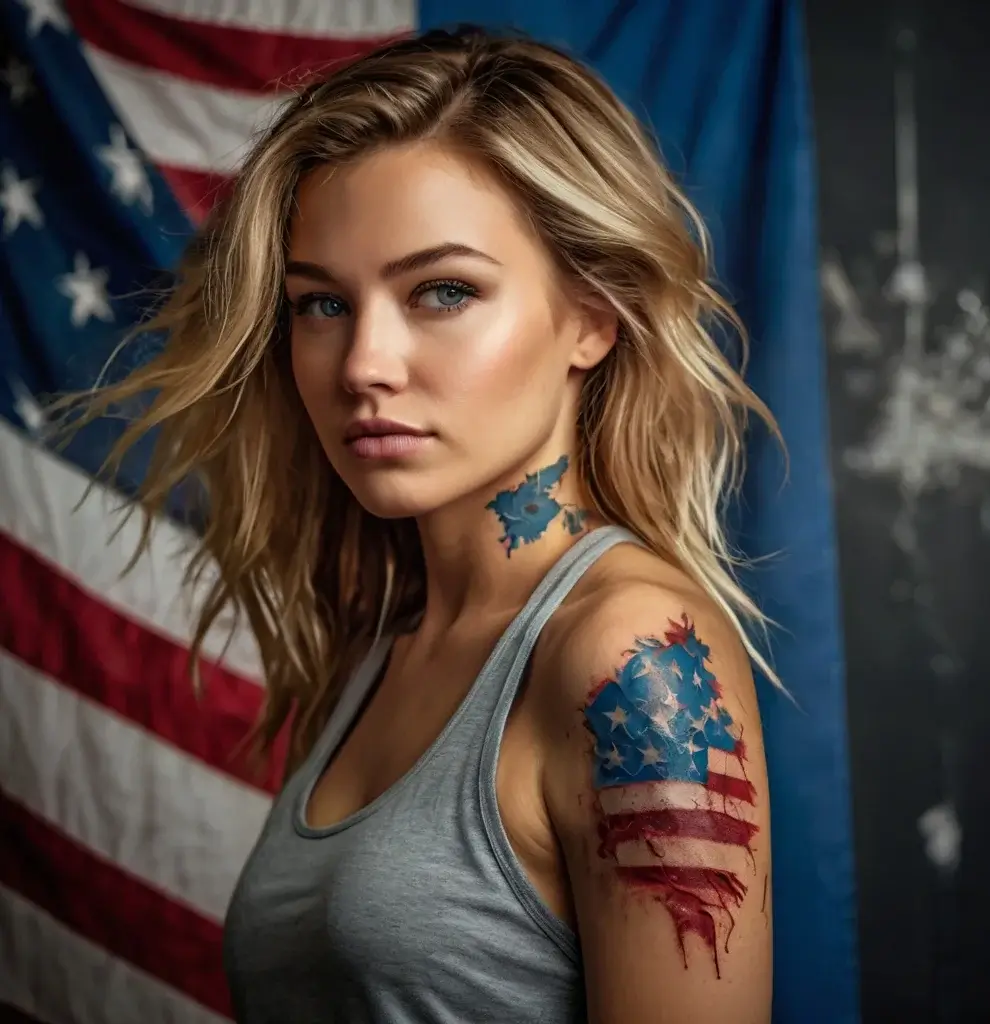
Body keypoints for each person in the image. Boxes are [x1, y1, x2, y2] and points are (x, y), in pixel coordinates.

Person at [64, 25, 780, 1024]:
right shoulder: (379, 644)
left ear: (591, 316)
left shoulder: (632, 658)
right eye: (321, 305)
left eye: (443, 291)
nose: (364, 363)